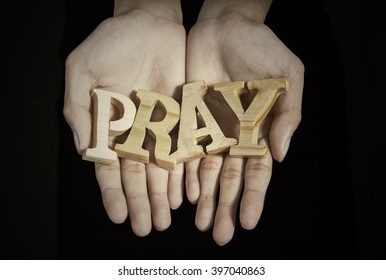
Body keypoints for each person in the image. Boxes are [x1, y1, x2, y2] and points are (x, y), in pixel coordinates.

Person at [60, 0, 356, 258]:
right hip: (123, 57)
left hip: (267, 33)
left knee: (296, 231)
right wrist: (139, 5)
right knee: (111, 236)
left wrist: (240, 8)